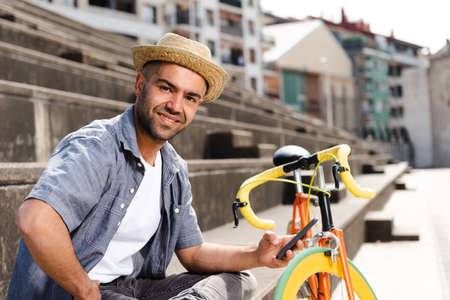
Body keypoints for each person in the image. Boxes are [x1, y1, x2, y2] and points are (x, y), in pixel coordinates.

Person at [7, 33, 302, 300]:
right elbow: (35, 221)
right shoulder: (97, 146)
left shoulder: (172, 168)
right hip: (79, 292)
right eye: (166, 88)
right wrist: (84, 289)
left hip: (133, 287)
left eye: (190, 98)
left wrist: (258, 254)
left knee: (240, 280)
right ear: (140, 85)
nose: (176, 105)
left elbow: (193, 252)